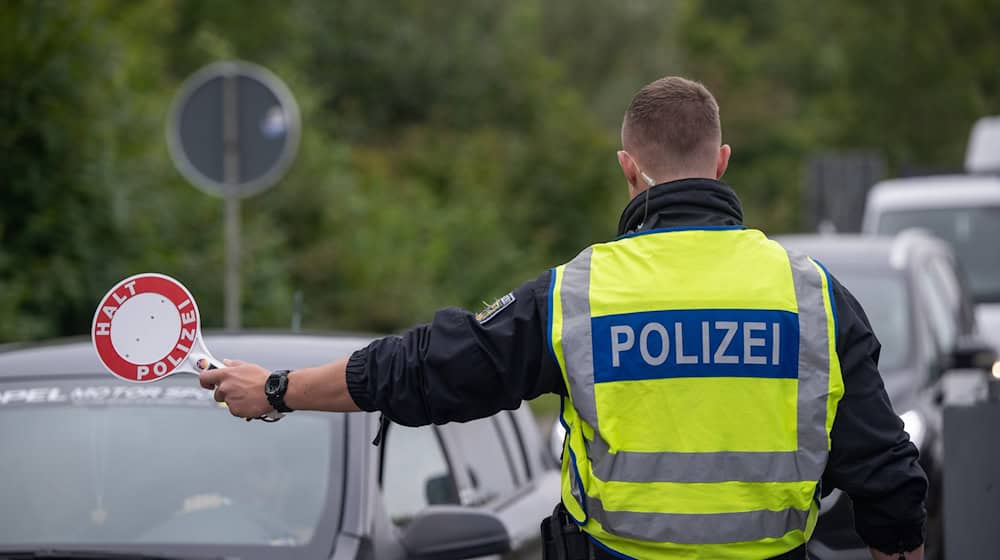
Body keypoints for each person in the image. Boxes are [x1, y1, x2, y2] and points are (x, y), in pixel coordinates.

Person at [201, 76, 926, 559]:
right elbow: (886, 472)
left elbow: (429, 368)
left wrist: (276, 390)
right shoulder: (811, 296)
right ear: (722, 162)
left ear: (629, 168)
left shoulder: (581, 294)